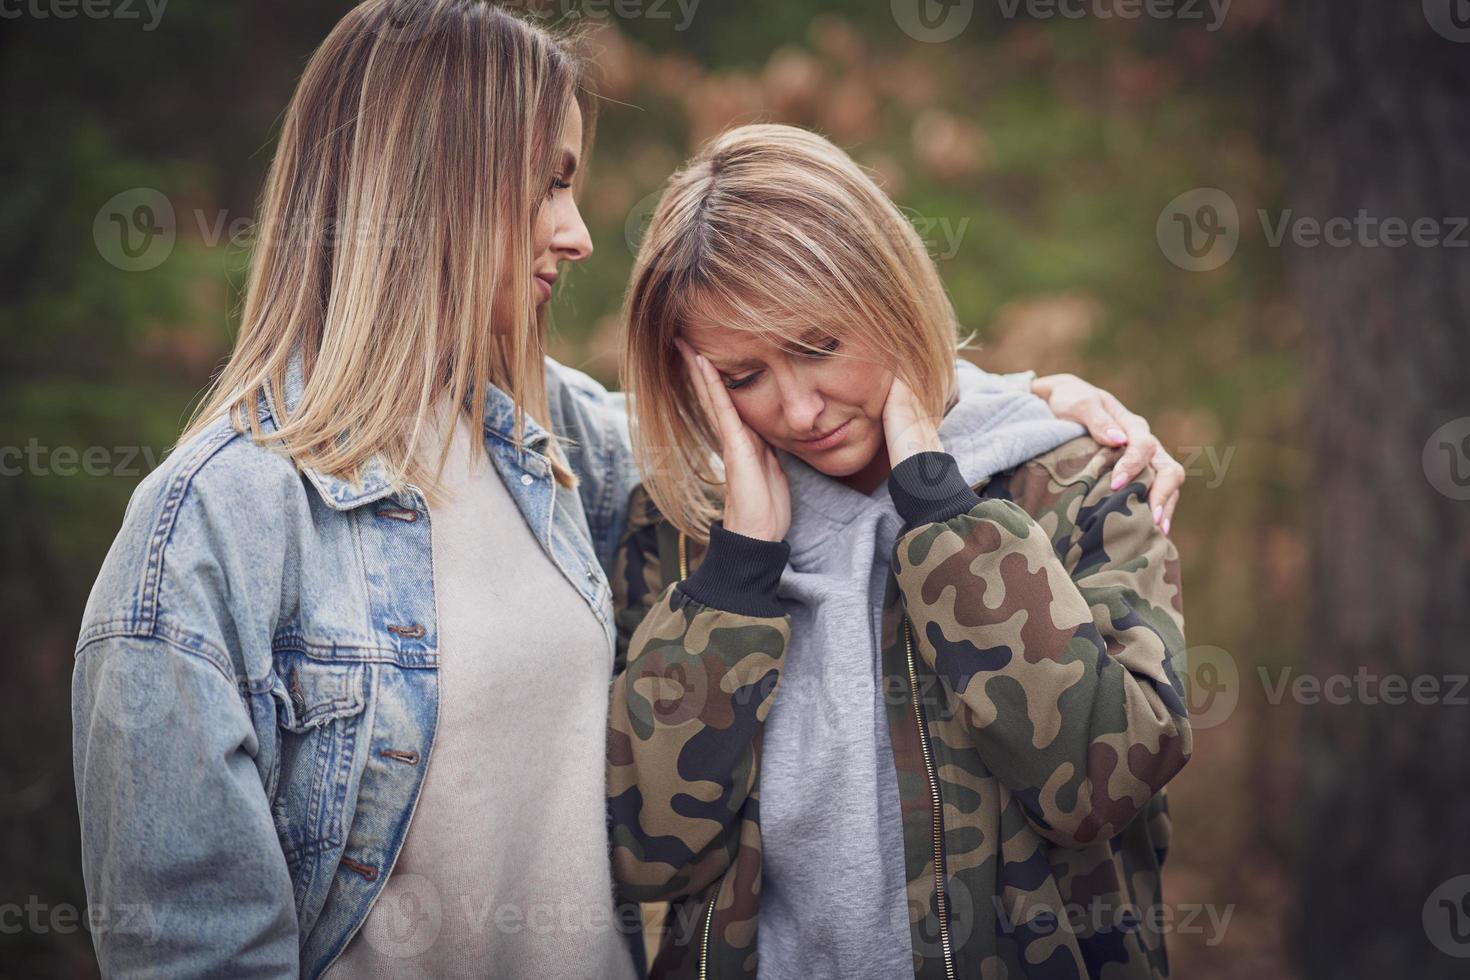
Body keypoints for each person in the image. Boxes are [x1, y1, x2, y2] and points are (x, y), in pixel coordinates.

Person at [71, 3, 1182, 977]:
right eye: (549, 182)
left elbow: (830, 394)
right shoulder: (215, 528)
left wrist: (1028, 408)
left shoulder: (558, 446)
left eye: (576, 181)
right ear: (424, 191)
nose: (580, 229)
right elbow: (189, 944)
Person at [610, 123, 1192, 979]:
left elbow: (1103, 785)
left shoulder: (1074, 477)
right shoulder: (683, 530)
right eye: (744, 376)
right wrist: (735, 581)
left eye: (818, 347)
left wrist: (943, 512)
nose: (800, 409)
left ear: (888, 292)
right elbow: (646, 854)